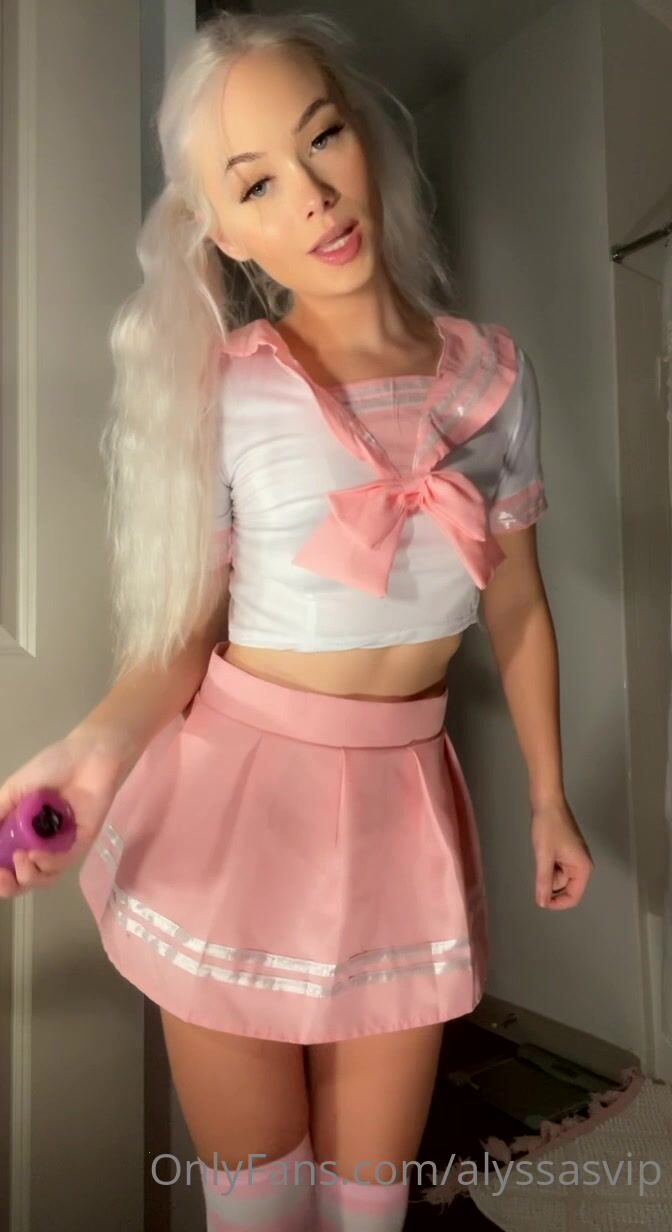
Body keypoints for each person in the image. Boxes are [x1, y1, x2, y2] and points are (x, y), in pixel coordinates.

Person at [0, 9, 594, 1230]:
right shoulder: (230, 387)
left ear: (363, 135)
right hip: (235, 806)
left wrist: (548, 794)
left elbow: (520, 601)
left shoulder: (496, 376)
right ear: (223, 229)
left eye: (322, 137)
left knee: (369, 1207)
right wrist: (98, 751)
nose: (313, 194)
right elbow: (184, 632)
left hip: (403, 809)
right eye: (257, 181)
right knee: (259, 1210)